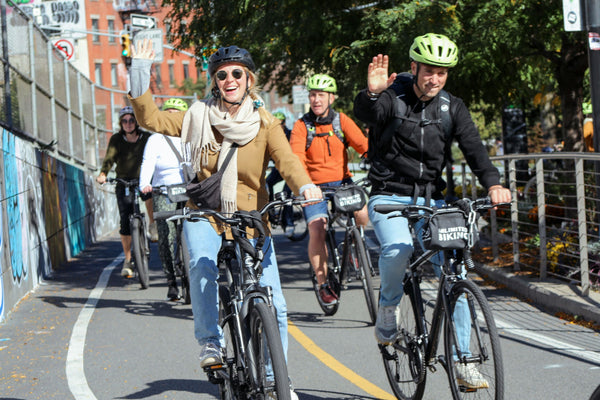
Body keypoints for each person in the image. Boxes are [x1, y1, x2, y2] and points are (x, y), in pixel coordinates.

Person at [128, 40, 321, 398]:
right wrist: (140, 70)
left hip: (251, 216)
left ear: (249, 80)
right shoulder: (197, 116)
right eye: (222, 75)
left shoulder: (266, 123)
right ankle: (210, 343)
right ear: (215, 82)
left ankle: (277, 378)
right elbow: (149, 119)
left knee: (275, 303)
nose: (229, 79)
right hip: (207, 211)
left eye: (237, 73)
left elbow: (288, 162)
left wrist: (306, 186)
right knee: (202, 266)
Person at [353, 33, 511, 389]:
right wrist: (373, 92)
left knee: (454, 271)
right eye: (429, 71)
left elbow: (474, 148)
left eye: (442, 73)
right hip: (388, 198)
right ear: (414, 68)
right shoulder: (392, 98)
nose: (435, 79)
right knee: (399, 249)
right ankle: (389, 309)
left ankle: (464, 362)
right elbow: (368, 112)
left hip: (431, 202)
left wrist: (493, 183)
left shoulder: (452, 107)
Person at [289, 73, 369, 305]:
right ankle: (323, 283)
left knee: (362, 213)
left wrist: (378, 160)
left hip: (342, 182)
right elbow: (296, 160)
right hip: (313, 187)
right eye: (312, 95)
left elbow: (363, 146)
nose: (316, 100)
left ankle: (353, 245)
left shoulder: (341, 121)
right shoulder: (301, 126)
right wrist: (305, 187)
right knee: (317, 229)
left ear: (331, 98)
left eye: (321, 95)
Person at [139, 98, 189, 300]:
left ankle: (192, 269)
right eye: (168, 112)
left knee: (197, 230)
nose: (171, 116)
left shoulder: (191, 136)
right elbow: (147, 162)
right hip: (163, 190)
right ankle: (171, 280)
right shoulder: (155, 139)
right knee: (166, 236)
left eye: (176, 113)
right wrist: (145, 184)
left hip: (188, 189)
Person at [96, 106, 153, 277]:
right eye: (124, 121)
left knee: (149, 194)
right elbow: (109, 158)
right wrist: (103, 173)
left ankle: (152, 223)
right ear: (121, 123)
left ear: (136, 122)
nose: (128, 124)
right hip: (123, 182)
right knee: (125, 221)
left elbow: (154, 157)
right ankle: (128, 261)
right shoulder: (116, 139)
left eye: (131, 120)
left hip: (143, 180)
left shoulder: (146, 138)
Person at [266, 111, 295, 237]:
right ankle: (272, 212)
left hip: (290, 169)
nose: (279, 126)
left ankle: (289, 223)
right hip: (278, 169)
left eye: (281, 123)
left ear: (284, 123)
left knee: (286, 195)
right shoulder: (271, 134)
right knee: (267, 183)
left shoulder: (291, 135)